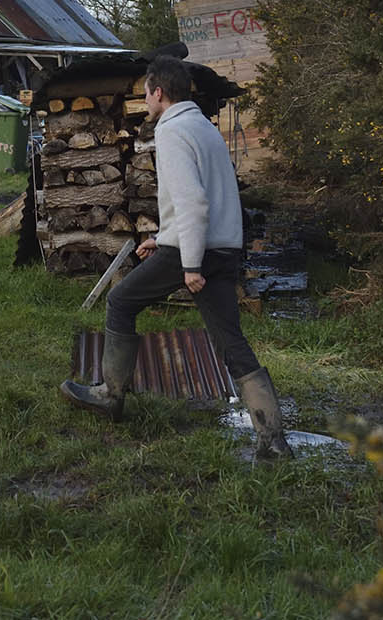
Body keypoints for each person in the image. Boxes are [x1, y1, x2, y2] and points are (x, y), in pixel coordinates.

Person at [59, 55, 292, 458]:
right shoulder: (202, 126)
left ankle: (110, 396)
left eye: (146, 92)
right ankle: (273, 439)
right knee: (230, 340)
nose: (145, 100)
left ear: (159, 92)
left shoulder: (171, 131)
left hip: (195, 249)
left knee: (120, 302)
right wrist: (163, 238)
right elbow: (206, 199)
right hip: (220, 247)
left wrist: (188, 264)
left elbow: (193, 202)